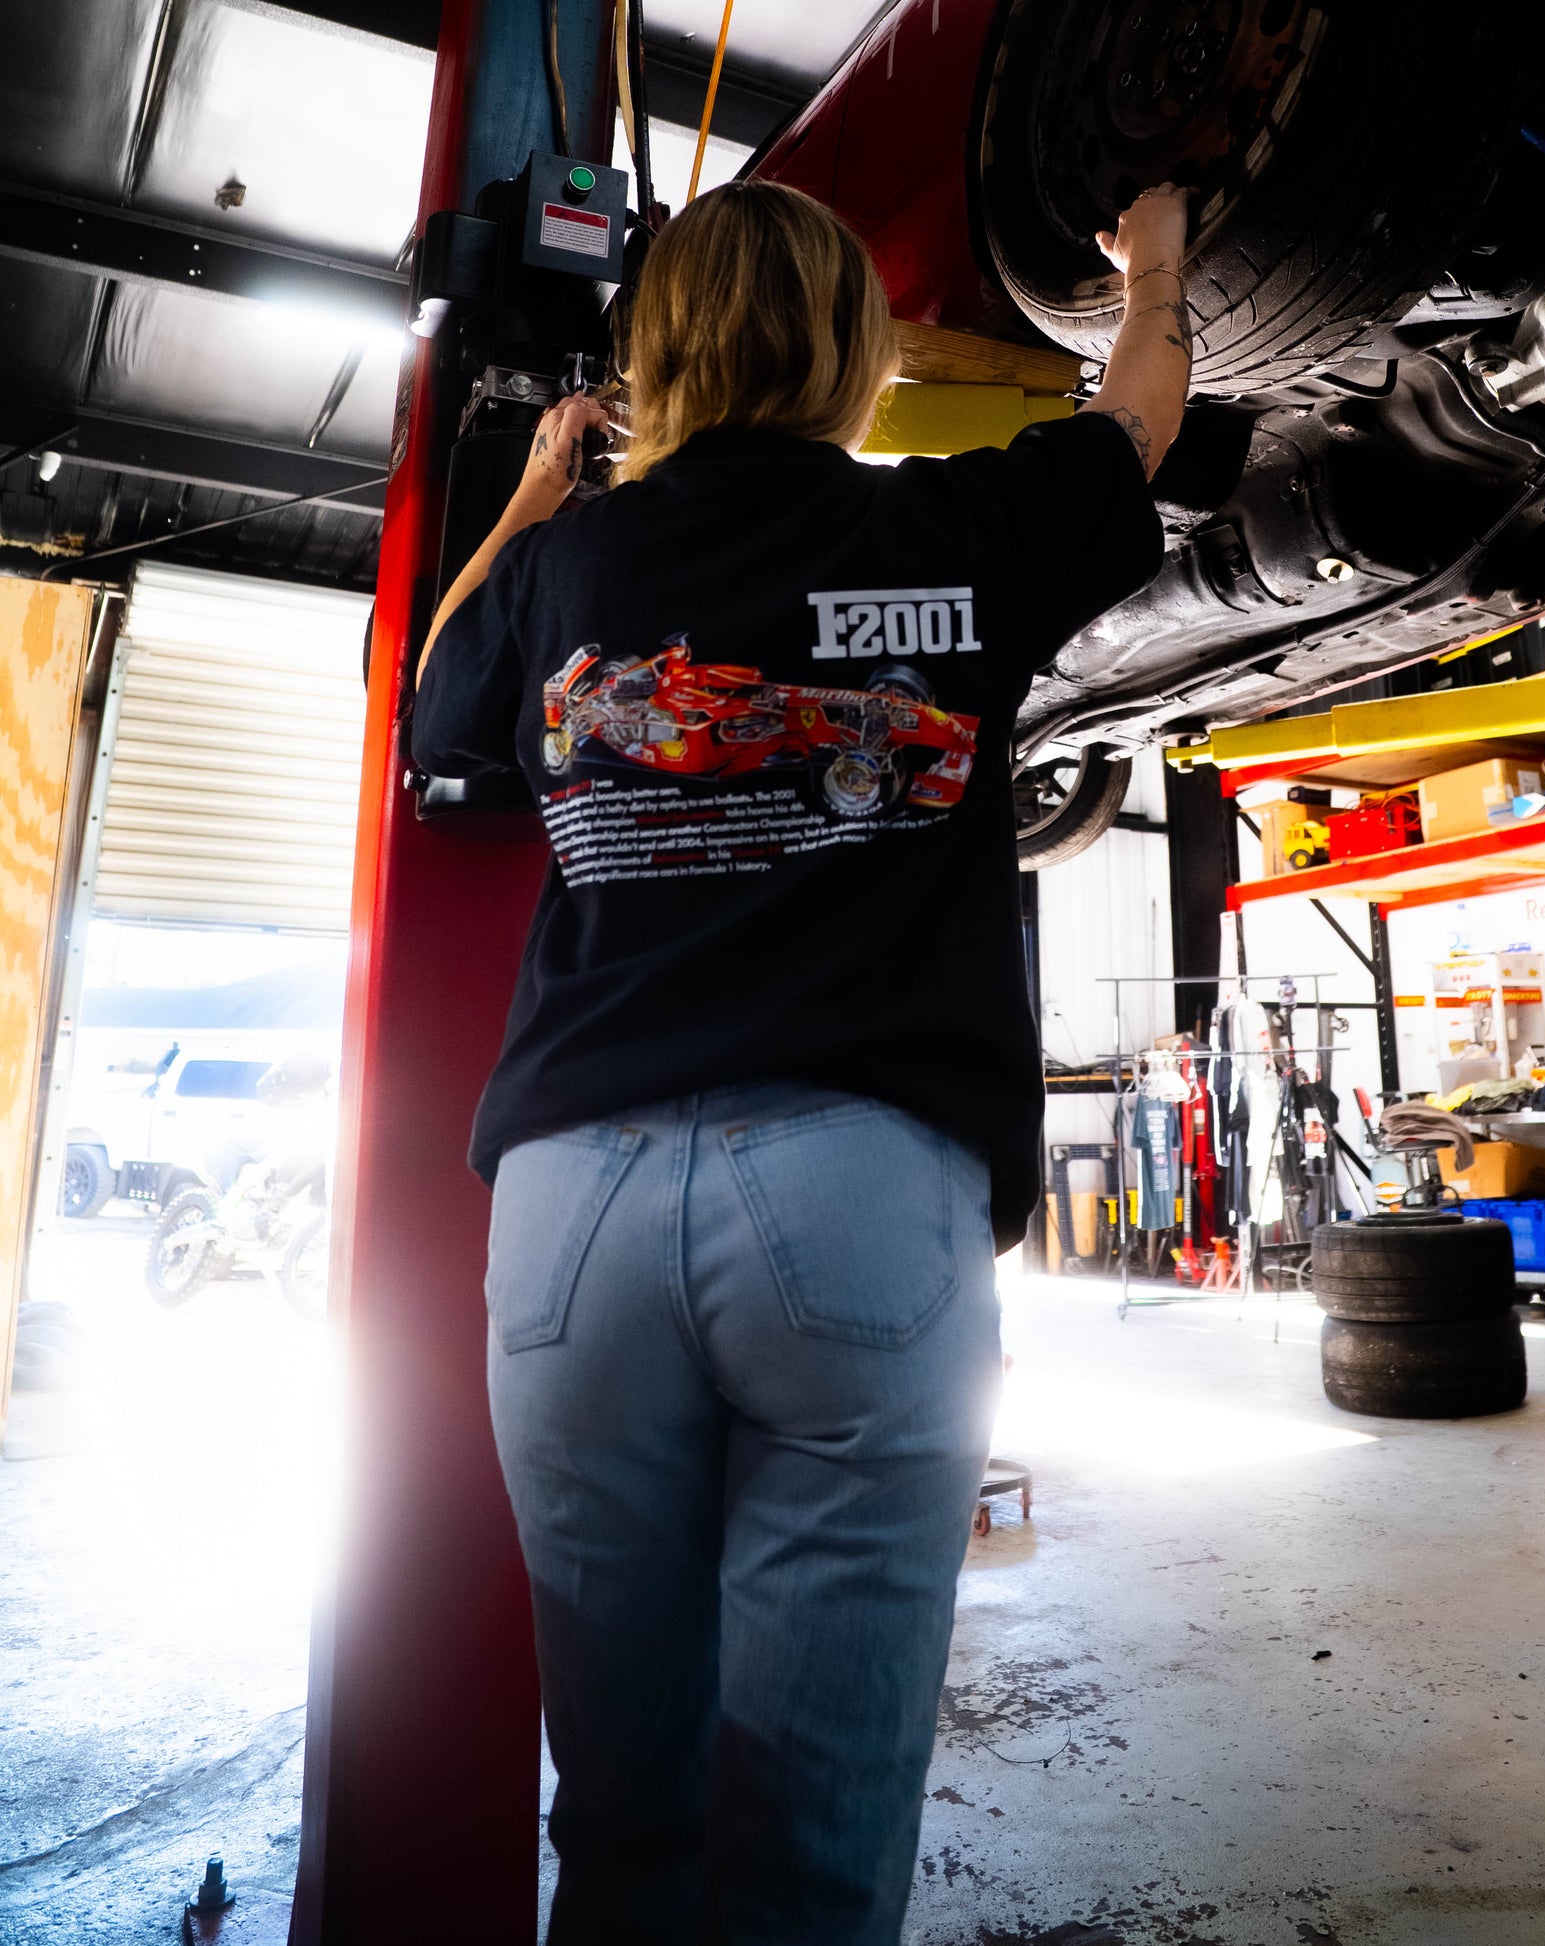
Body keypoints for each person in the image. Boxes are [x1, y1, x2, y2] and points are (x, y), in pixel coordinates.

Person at [412, 176, 1192, 1944]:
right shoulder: (955, 526)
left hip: (573, 1209)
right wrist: (1154, 263)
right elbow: (1138, 422)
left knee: (621, 1817)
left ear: (659, 353)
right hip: (859, 1183)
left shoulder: (568, 565)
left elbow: (439, 695)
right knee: (811, 1854)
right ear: (856, 355)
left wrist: (537, 494)